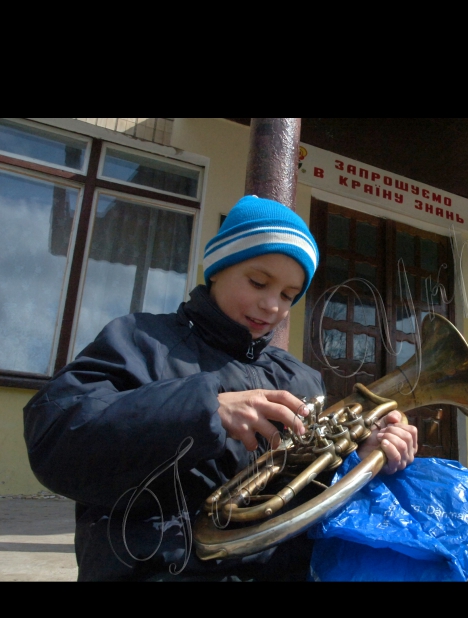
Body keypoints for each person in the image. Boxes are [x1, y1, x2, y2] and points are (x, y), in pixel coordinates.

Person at [24, 195, 417, 581]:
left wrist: (359, 455)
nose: (272, 306)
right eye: (258, 282)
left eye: (288, 296)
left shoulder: (301, 379)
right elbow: (55, 435)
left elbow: (309, 489)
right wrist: (203, 410)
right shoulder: (140, 339)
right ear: (217, 269)